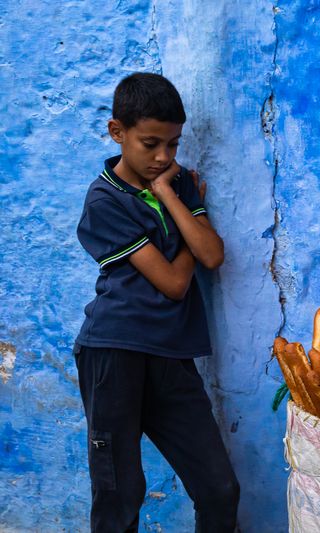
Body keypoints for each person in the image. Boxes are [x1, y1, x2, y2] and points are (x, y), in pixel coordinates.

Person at [73, 72, 239, 532]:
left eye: (174, 144)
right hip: (114, 353)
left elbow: (213, 254)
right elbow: (174, 283)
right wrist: (181, 212)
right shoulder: (104, 200)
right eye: (151, 144)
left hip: (170, 355)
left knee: (219, 488)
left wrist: (168, 191)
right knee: (119, 494)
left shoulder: (175, 183)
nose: (164, 157)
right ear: (117, 132)